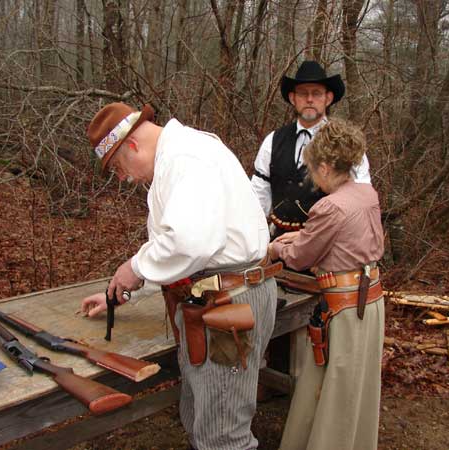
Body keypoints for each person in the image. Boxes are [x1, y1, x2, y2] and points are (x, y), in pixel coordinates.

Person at [80, 102, 282, 450]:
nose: (123, 178)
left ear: (131, 146)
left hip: (227, 306)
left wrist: (135, 268)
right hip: (217, 296)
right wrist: (126, 290)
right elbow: (182, 252)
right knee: (202, 419)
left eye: (117, 168)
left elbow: (189, 244)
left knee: (223, 435)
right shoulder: (179, 156)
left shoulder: (186, 159)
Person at [268, 119, 385, 450]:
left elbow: (301, 257)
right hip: (369, 303)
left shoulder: (330, 206)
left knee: (338, 387)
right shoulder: (366, 194)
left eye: (312, 171)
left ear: (323, 166)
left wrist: (277, 247)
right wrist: (301, 236)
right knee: (355, 384)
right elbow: (340, 242)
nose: (312, 179)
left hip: (344, 309)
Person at [251, 60, 371, 237]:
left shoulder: (346, 144)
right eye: (303, 93)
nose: (309, 99)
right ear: (293, 98)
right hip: (278, 244)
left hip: (328, 246)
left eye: (316, 93)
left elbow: (360, 198)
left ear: (328, 98)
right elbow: (258, 195)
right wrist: (255, 237)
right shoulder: (273, 141)